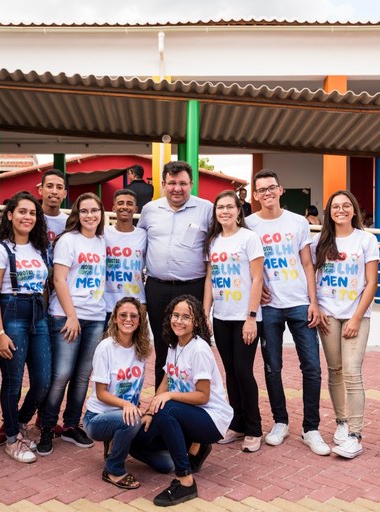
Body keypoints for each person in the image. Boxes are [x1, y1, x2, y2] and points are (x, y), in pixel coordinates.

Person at [244, 169, 327, 454]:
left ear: (280, 190)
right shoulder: (248, 224)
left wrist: (314, 302)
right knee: (272, 367)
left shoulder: (297, 222)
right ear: (255, 196)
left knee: (312, 367)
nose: (267, 193)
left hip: (300, 302)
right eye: (261, 190)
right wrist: (255, 290)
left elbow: (307, 263)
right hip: (269, 307)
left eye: (271, 188)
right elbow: (244, 263)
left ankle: (311, 428)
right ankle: (280, 421)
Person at [133, 295, 232, 507]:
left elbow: (203, 396)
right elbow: (167, 380)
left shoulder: (199, 350)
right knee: (137, 438)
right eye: (176, 315)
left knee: (166, 409)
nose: (179, 321)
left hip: (211, 418)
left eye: (186, 317)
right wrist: (151, 409)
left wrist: (166, 398)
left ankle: (185, 481)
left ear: (196, 321)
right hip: (187, 414)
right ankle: (191, 449)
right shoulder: (174, 345)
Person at [37, 192, 107, 456]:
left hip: (96, 316)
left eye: (95, 211)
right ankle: (47, 427)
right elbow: (59, 280)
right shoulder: (68, 241)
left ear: (102, 214)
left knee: (82, 377)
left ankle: (70, 425)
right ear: (78, 214)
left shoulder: (102, 240)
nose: (90, 216)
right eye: (85, 210)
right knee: (62, 375)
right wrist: (71, 316)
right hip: (66, 316)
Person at [312, 190, 379, 459]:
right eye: (335, 206)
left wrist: (355, 317)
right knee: (335, 369)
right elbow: (310, 274)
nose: (341, 210)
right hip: (328, 314)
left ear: (354, 210)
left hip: (356, 315)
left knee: (352, 372)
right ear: (329, 212)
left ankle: (355, 434)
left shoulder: (366, 240)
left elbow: (372, 282)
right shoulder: (319, 241)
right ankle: (341, 423)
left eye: (346, 205)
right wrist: (316, 307)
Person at [0, 192, 51, 463]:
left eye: (32, 213)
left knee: (43, 380)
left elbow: (46, 287)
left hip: (38, 313)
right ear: (10, 215)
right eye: (22, 212)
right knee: (13, 381)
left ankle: (20, 420)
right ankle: (13, 439)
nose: (27, 217)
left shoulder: (39, 248)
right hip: (11, 312)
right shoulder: (1, 249)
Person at [138, 161, 212, 388]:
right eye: (171, 183)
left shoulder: (207, 209)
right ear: (163, 184)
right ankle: (161, 403)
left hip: (193, 287)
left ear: (191, 184)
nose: (177, 188)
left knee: (194, 344)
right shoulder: (150, 210)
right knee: (162, 346)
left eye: (182, 183)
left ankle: (193, 398)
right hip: (157, 287)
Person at [203, 191, 264, 453]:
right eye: (220, 207)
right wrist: (204, 313)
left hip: (244, 317)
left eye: (230, 207)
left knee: (243, 371)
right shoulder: (213, 241)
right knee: (229, 372)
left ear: (240, 210)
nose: (225, 211)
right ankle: (236, 423)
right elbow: (209, 279)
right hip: (221, 316)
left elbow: (258, 279)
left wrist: (251, 317)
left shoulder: (249, 239)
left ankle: (254, 428)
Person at [84, 297, 151, 490]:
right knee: (131, 420)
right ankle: (113, 469)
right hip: (97, 418)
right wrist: (127, 406)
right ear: (114, 318)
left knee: (165, 465)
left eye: (133, 316)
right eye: (123, 315)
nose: (128, 319)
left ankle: (116, 441)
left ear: (140, 320)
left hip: (125, 414)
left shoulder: (142, 348)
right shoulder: (106, 347)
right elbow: (101, 393)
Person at [104, 189, 146, 324]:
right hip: (107, 304)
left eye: (129, 203)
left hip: (137, 303)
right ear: (114, 207)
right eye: (120, 203)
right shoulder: (103, 233)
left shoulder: (144, 235)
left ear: (135, 208)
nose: (125, 207)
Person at [38, 169, 69, 246]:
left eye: (59, 187)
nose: (54, 191)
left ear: (65, 194)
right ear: (40, 190)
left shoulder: (70, 223)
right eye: (49, 186)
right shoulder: (30, 219)